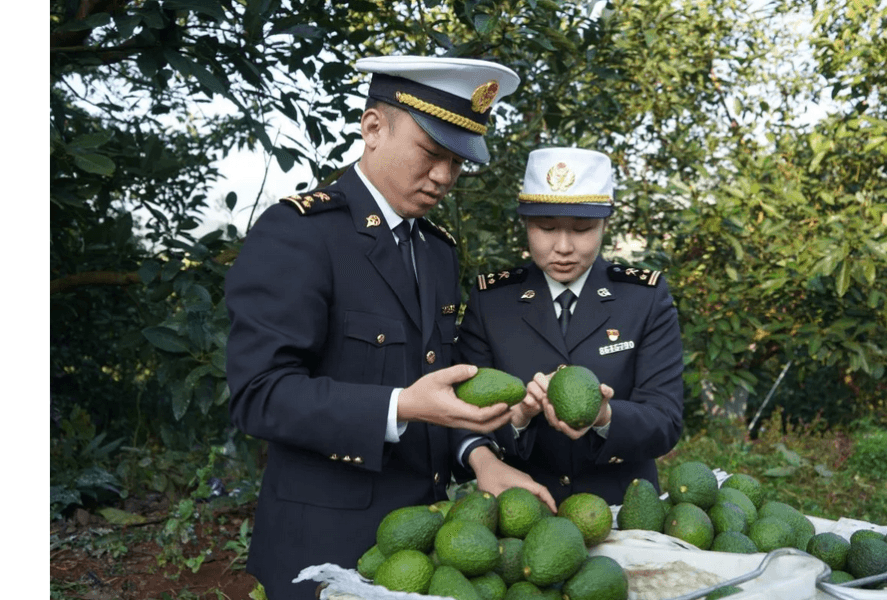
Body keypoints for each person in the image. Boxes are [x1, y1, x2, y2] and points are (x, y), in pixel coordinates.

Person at [225, 56, 554, 600]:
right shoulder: (301, 235)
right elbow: (259, 395)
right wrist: (400, 406)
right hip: (325, 547)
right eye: (431, 152)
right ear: (373, 128)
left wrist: (482, 459)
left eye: (457, 161)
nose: (445, 176)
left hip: (424, 547)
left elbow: (440, 391)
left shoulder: (437, 253)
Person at [456, 147, 685, 507]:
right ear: (526, 224)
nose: (563, 247)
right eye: (546, 228)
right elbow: (461, 414)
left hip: (624, 513)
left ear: (605, 225)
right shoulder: (493, 301)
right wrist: (515, 419)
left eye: (582, 229)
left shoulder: (643, 298)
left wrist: (605, 416)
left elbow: (666, 421)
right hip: (521, 511)